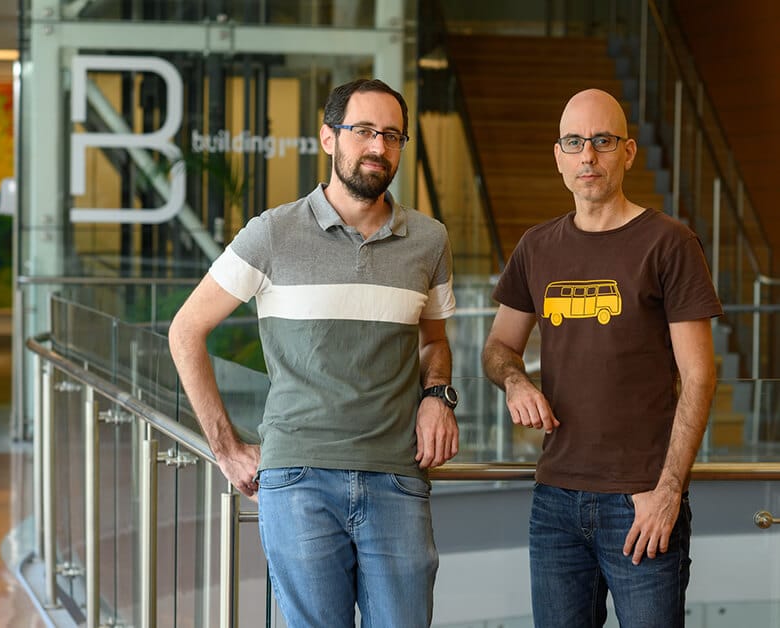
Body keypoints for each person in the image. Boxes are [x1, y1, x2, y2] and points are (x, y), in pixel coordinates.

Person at [168, 78, 459, 628]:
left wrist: (437, 395)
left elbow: (434, 340)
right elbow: (185, 331)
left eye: (392, 135)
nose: (378, 146)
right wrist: (226, 448)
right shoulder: (271, 234)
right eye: (364, 131)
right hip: (297, 480)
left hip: (396, 474)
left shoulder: (430, 240)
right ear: (329, 138)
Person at [482, 88, 722, 627]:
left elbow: (701, 377)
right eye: (574, 142)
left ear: (629, 152)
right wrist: (517, 382)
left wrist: (667, 492)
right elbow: (498, 347)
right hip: (555, 503)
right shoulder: (536, 246)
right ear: (559, 156)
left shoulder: (670, 243)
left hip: (640, 503)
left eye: (602, 141)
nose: (587, 155)